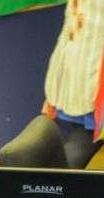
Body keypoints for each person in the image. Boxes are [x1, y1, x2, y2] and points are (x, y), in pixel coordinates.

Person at [42, 0, 104, 169]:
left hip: (84, 74)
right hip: (93, 81)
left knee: (81, 143)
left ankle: (53, 189)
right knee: (81, 144)